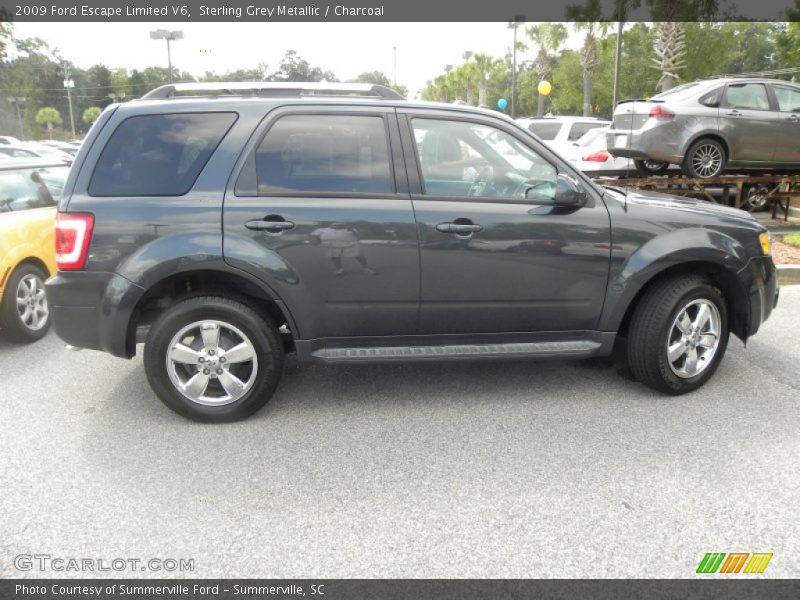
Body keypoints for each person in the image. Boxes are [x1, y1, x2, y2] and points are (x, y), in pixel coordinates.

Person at [309, 222, 377, 276]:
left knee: (359, 255)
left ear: (344, 225)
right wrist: (313, 242)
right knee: (334, 256)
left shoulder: (351, 229)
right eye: (336, 224)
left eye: (340, 225)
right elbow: (314, 238)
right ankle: (339, 270)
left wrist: (352, 231)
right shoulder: (321, 229)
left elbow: (359, 237)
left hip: (351, 243)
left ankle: (366, 268)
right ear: (330, 225)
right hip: (331, 245)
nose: (338, 226)